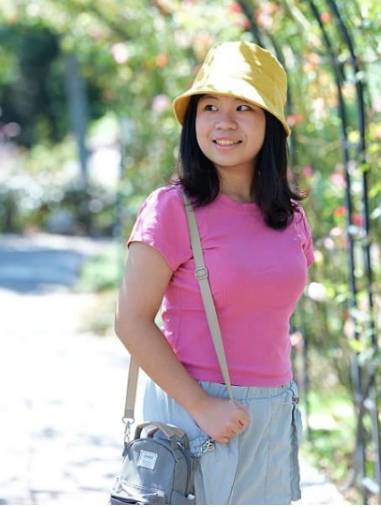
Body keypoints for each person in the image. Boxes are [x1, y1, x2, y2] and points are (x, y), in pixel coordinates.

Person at [114, 40, 314, 505]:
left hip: (272, 412)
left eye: (244, 106)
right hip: (193, 413)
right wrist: (202, 405)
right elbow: (130, 320)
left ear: (271, 124)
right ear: (194, 121)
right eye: (210, 107)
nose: (224, 122)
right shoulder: (170, 210)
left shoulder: (290, 217)